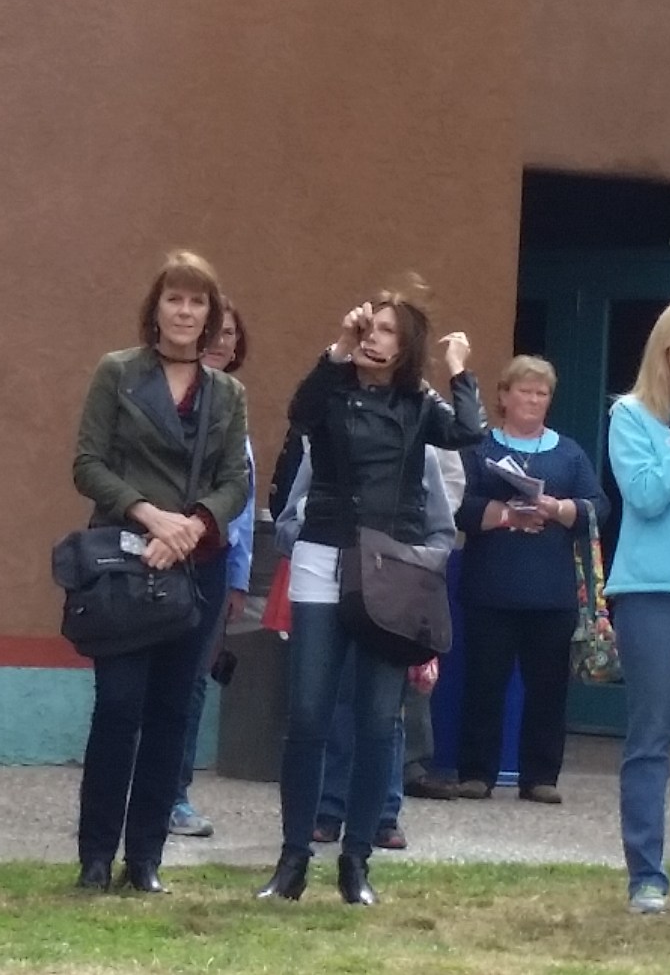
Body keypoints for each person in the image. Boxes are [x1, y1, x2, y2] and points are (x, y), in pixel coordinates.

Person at [257, 290, 484, 906]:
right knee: (308, 713)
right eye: (369, 327)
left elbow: (468, 432)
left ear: (405, 348)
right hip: (323, 554)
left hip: (390, 568)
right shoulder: (331, 391)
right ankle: (293, 858)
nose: (373, 337)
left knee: (379, 719)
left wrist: (459, 368)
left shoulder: (419, 405)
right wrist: (338, 344)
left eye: (386, 331)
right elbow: (300, 409)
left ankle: (356, 861)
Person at [70, 251, 249, 895]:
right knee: (119, 707)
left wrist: (193, 527)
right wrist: (149, 515)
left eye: (197, 301)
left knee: (173, 714)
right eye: (175, 298)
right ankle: (95, 856)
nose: (185, 311)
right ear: (157, 307)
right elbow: (88, 464)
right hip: (125, 562)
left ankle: (145, 860)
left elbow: (236, 480)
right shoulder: (117, 372)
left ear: (211, 315)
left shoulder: (228, 393)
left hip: (194, 570)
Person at [281, 444, 459, 851]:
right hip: (325, 589)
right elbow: (288, 522)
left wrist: (409, 574)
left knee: (383, 714)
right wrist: (314, 543)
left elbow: (441, 532)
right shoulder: (323, 446)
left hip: (392, 598)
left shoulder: (422, 453)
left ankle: (382, 817)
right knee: (322, 708)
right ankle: (324, 813)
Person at [454, 356, 609, 805]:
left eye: (542, 393)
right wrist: (507, 516)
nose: (534, 400)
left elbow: (599, 507)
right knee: (484, 684)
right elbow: (457, 505)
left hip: (552, 593)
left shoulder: (569, 453)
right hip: (490, 588)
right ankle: (476, 773)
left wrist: (558, 509)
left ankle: (540, 776)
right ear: (504, 396)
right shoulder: (479, 449)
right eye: (525, 391)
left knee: (548, 689)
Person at [603, 297, 670, 914]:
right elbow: (645, 495)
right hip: (653, 593)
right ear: (666, 350)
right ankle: (646, 875)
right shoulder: (631, 416)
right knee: (651, 735)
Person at [170, 298, 251, 839]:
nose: (221, 341)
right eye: (214, 332)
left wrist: (239, 579)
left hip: (215, 565)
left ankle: (175, 795)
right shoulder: (171, 400)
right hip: (164, 554)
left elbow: (240, 502)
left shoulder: (234, 405)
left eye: (230, 334)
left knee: (194, 684)